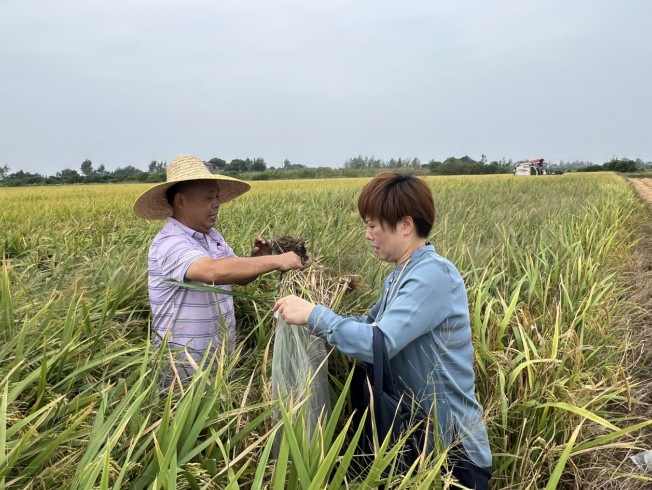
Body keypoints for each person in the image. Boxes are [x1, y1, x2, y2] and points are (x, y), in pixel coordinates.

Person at [273, 173, 492, 489]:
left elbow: (379, 342)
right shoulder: (399, 277)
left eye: (373, 225)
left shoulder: (432, 275)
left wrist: (315, 316)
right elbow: (368, 324)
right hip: (419, 444)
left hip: (452, 451)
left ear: (405, 225)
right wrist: (312, 317)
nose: (367, 234)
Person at [134, 155, 303, 377]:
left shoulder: (212, 236)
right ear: (181, 201)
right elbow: (211, 271)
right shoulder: (170, 242)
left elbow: (235, 276)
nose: (217, 204)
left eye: (217, 197)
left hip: (220, 358)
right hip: (183, 368)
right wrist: (278, 261)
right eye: (208, 198)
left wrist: (258, 261)